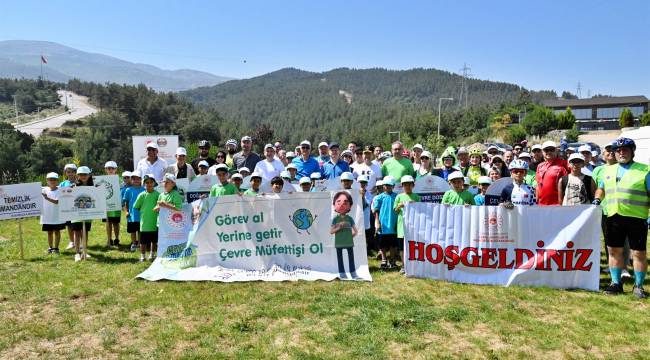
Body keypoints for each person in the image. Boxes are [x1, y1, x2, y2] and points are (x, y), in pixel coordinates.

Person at [593, 138, 650, 298]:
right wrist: (597, 198)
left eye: (625, 149)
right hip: (613, 216)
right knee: (613, 251)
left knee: (638, 254)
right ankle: (615, 283)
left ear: (632, 151)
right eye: (618, 150)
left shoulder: (644, 170)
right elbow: (601, 188)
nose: (621, 153)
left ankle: (638, 286)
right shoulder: (608, 170)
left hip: (637, 218)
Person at [394, 175, 420, 270]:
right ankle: (404, 266)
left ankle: (413, 265)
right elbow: (395, 211)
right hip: (402, 227)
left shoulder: (417, 197)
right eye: (405, 185)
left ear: (413, 185)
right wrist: (399, 206)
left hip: (413, 227)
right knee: (401, 248)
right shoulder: (399, 197)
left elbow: (420, 211)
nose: (407, 187)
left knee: (413, 246)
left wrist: (415, 205)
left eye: (409, 185)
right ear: (402, 186)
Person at [331, 191, 359, 279]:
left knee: (351, 258)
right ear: (334, 205)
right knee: (340, 259)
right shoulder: (335, 219)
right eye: (338, 202)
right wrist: (339, 227)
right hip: (338, 242)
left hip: (349, 243)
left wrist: (351, 237)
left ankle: (353, 272)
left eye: (345, 203)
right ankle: (342, 273)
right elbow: (331, 231)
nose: (342, 205)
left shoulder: (350, 218)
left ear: (350, 206)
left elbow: (356, 231)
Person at [133, 174, 160, 262]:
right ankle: (142, 256)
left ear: (154, 183)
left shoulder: (158, 194)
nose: (149, 184)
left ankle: (152, 255)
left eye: (151, 182)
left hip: (154, 222)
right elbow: (136, 206)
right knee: (143, 242)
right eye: (147, 182)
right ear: (144, 184)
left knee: (154, 241)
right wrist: (143, 210)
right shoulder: (141, 195)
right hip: (144, 223)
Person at [372, 177, 398, 269]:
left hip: (393, 224)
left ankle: (392, 260)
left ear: (393, 186)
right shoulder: (379, 197)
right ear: (383, 186)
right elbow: (376, 210)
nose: (387, 187)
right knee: (382, 244)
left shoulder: (397, 196)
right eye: (386, 185)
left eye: (390, 185)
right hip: (383, 224)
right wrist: (377, 222)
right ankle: (384, 259)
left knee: (393, 244)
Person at [535, 141, 569, 206]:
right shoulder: (539, 166)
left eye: (552, 149)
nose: (549, 152)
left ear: (556, 151)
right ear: (542, 152)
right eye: (546, 150)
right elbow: (538, 185)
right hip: (541, 204)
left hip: (557, 205)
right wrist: (536, 201)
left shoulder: (564, 164)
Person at [72, 166, 94, 262]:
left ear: (89, 175)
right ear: (78, 176)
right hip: (76, 213)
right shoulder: (74, 186)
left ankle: (84, 251)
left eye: (85, 174)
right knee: (77, 232)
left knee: (85, 233)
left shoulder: (93, 187)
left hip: (88, 213)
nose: (83, 176)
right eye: (81, 174)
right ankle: (77, 253)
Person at [41, 172, 65, 254]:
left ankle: (56, 248)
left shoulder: (60, 190)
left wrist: (47, 198)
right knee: (49, 232)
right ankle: (50, 248)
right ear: (47, 181)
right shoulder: (43, 190)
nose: (52, 181)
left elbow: (57, 202)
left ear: (57, 181)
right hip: (47, 215)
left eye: (54, 179)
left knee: (57, 231)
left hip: (57, 215)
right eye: (50, 179)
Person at [123, 170, 144, 252]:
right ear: (131, 180)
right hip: (131, 215)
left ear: (141, 180)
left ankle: (139, 243)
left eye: (138, 179)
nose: (136, 181)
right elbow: (126, 202)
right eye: (134, 179)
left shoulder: (143, 189)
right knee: (132, 230)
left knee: (140, 229)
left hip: (141, 214)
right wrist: (127, 211)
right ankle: (134, 243)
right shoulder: (128, 190)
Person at [103, 161, 122, 247]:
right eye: (108, 168)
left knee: (115, 223)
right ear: (105, 170)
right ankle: (109, 239)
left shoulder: (120, 180)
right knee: (108, 223)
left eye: (112, 168)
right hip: (105, 205)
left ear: (116, 169)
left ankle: (117, 238)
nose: (110, 170)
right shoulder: (102, 180)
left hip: (115, 205)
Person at [60, 163, 77, 250]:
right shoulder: (62, 184)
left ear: (75, 172)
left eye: (72, 172)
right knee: (69, 225)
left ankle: (79, 242)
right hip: (67, 208)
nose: (70, 174)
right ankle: (72, 242)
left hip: (78, 207)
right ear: (65, 173)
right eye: (68, 172)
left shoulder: (79, 182)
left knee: (78, 226)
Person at [358, 175, 375, 253]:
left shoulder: (369, 194)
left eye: (364, 182)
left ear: (366, 184)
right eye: (361, 182)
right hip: (356, 217)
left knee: (366, 234)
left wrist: (362, 196)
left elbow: (364, 206)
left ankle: (367, 250)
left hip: (365, 217)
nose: (362, 184)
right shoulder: (353, 192)